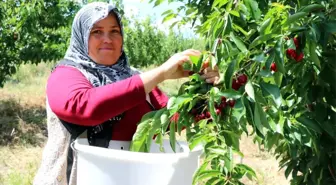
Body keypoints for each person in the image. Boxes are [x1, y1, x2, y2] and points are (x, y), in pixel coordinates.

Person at [33, 2, 219, 185]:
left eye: (114, 31)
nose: (107, 39)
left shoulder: (136, 78)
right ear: (82, 36)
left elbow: (171, 120)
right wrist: (161, 73)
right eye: (96, 31)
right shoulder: (66, 74)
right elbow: (85, 107)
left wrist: (209, 90)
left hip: (129, 177)